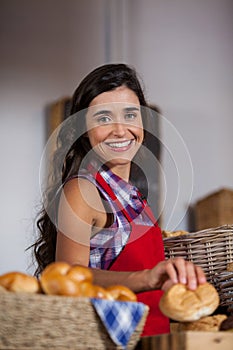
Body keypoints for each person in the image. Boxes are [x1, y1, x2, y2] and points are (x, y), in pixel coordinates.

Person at [32, 63, 206, 336]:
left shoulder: (134, 197)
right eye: (103, 118)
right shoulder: (83, 190)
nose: (120, 130)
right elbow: (70, 274)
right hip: (112, 342)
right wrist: (145, 278)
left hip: (153, 340)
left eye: (130, 115)